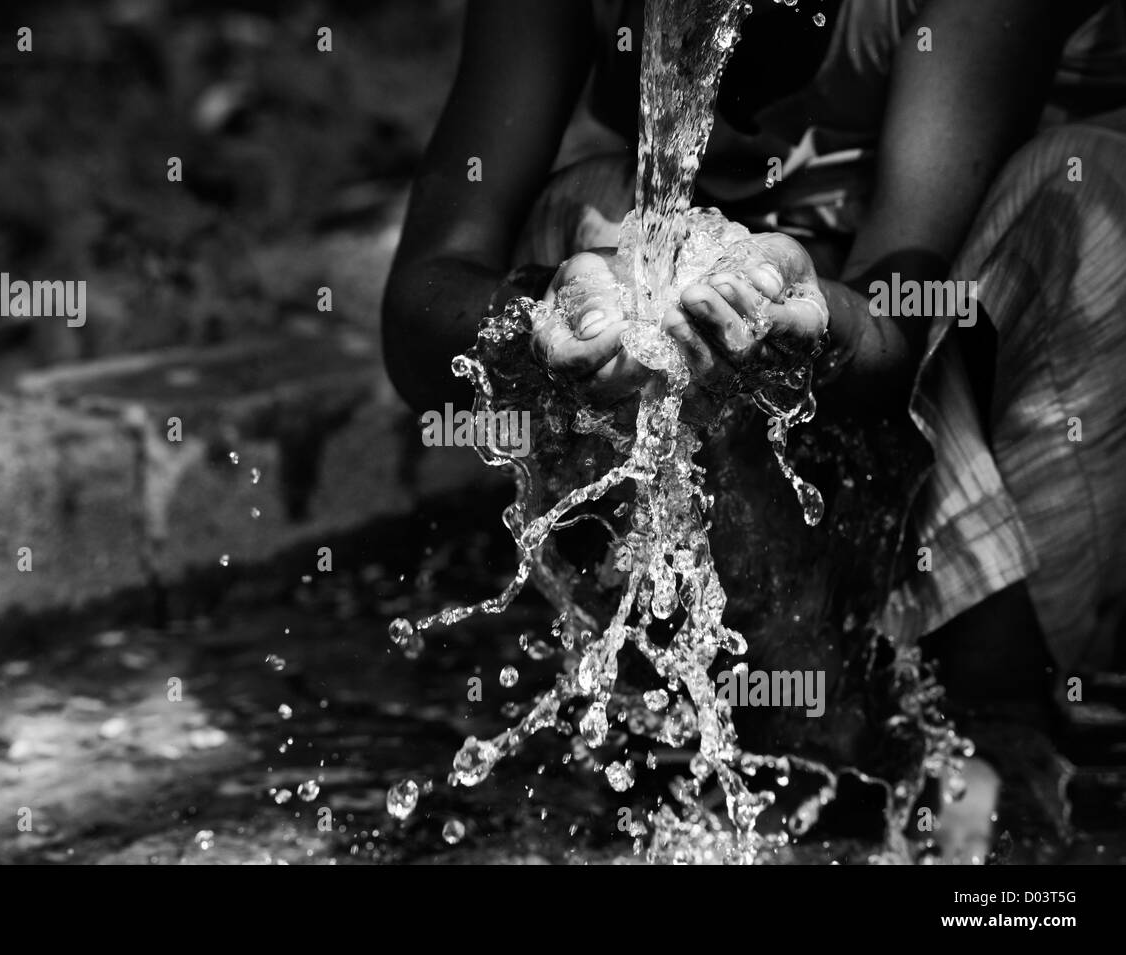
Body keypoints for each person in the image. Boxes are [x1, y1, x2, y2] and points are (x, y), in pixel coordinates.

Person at [383, 0, 1126, 850]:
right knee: (588, 209)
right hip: (771, 292)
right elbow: (418, 308)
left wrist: (821, 323)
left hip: (976, 314)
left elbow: (907, 321)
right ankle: (747, 717)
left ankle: (1009, 723)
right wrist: (540, 317)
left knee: (1092, 189)